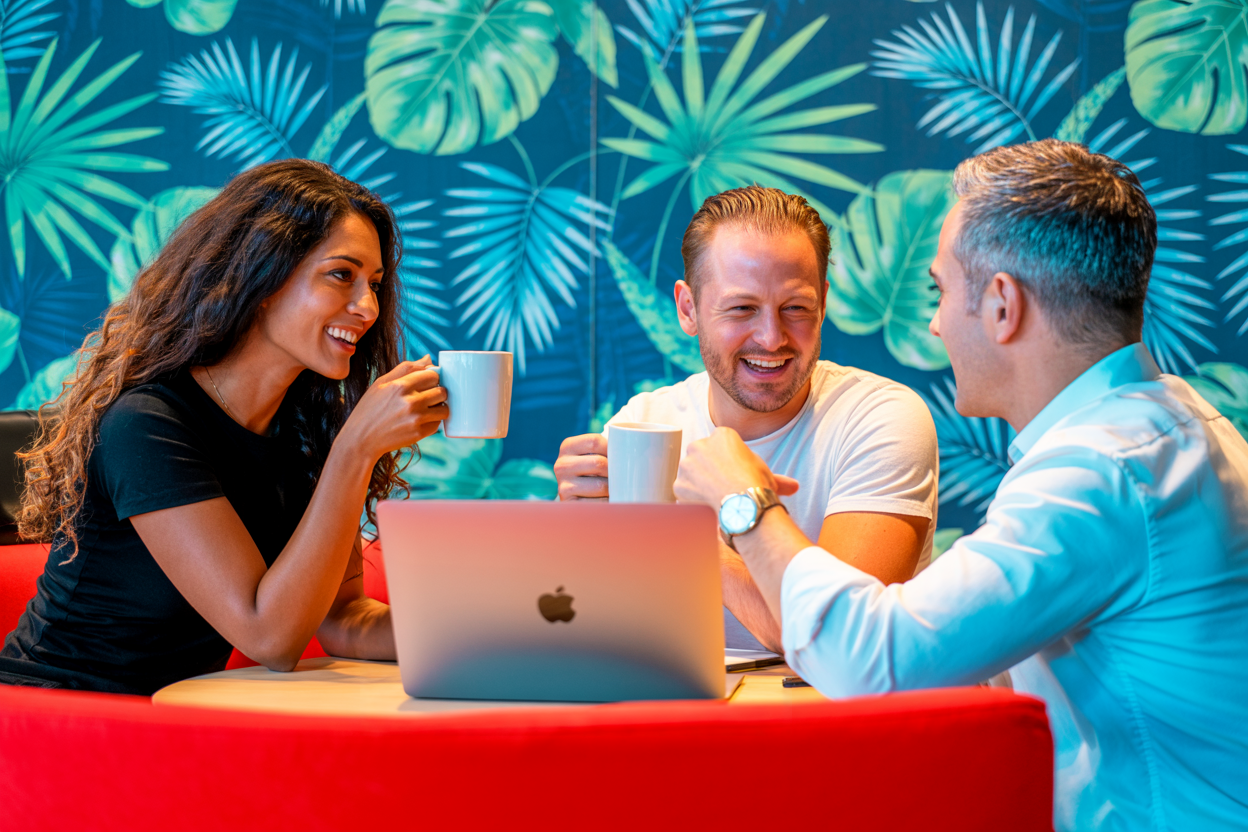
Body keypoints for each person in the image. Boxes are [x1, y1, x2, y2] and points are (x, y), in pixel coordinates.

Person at [673, 140, 1248, 829]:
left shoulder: (1100, 472)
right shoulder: (1161, 425)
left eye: (941, 291)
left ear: (1002, 305)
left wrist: (743, 504)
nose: (935, 322)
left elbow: (871, 660)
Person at [0, 160, 448, 695]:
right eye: (341, 275)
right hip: (57, 710)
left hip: (172, 711)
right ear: (263, 277)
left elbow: (342, 617)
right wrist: (355, 450)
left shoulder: (305, 431)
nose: (368, 307)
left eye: (374, 284)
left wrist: (475, 634)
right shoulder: (146, 425)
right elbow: (270, 636)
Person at [554, 186, 938, 652]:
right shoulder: (644, 423)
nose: (772, 338)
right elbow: (587, 631)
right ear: (688, 309)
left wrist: (678, 536)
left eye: (795, 308)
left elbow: (841, 640)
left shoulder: (880, 418)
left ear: (822, 304)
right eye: (742, 308)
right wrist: (574, 532)